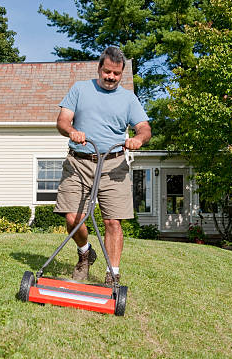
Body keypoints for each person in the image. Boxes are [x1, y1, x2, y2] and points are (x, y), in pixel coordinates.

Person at [54, 46, 151, 285]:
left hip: (113, 165)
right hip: (79, 162)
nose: (111, 77)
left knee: (112, 221)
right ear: (100, 68)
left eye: (116, 74)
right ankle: (85, 251)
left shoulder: (129, 98)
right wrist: (72, 131)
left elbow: (144, 128)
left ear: (122, 74)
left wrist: (138, 139)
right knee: (72, 218)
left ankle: (113, 274)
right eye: (107, 71)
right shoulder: (80, 89)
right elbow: (62, 120)